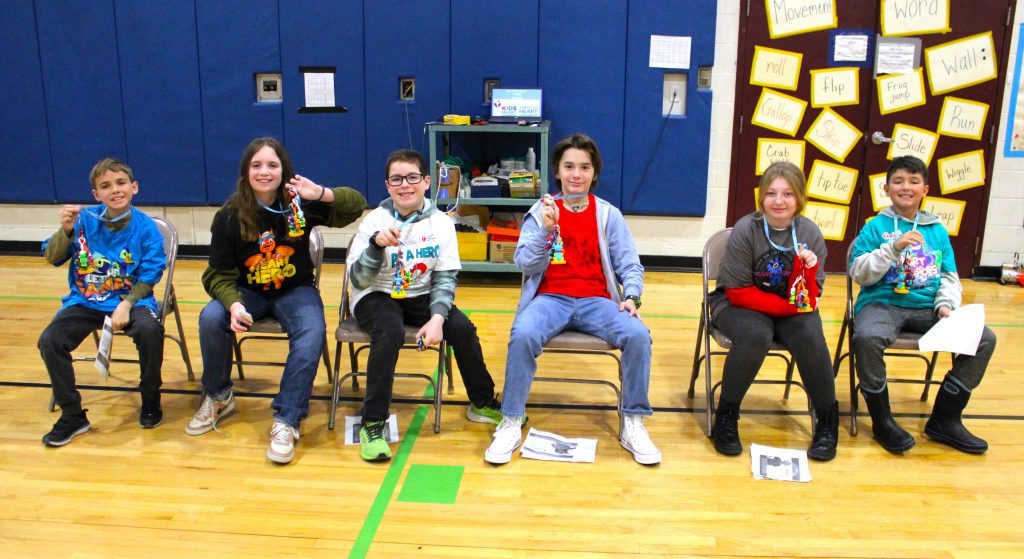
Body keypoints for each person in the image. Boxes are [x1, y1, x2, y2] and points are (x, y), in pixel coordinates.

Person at [186, 137, 366, 465]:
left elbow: (355, 204)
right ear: (246, 171)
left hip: (295, 289)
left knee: (312, 332)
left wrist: (321, 193)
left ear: (284, 170)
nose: (264, 172)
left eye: (272, 165)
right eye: (257, 165)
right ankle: (218, 395)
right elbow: (216, 276)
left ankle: (287, 418)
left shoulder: (299, 202)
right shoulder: (229, 216)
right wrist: (233, 304)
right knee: (211, 317)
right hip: (248, 293)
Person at [485, 133, 661, 466]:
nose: (576, 174)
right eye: (569, 166)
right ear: (558, 172)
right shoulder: (541, 211)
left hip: (597, 300)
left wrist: (633, 297)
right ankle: (510, 421)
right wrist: (546, 231)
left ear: (595, 173)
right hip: (550, 298)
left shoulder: (608, 215)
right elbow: (524, 263)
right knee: (522, 334)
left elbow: (630, 264)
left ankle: (633, 422)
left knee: (638, 335)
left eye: (584, 167)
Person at [346, 149, 501, 462]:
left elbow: (445, 279)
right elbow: (359, 281)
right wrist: (376, 246)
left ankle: (482, 403)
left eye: (412, 177)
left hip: (420, 293)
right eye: (397, 179)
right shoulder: (374, 221)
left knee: (462, 327)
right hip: (376, 294)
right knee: (388, 331)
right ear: (387, 186)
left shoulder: (441, 223)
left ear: (426, 181)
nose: (405, 185)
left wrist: (437, 318)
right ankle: (373, 423)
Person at [850, 155, 995, 455]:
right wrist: (892, 247)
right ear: (886, 188)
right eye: (899, 181)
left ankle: (945, 419)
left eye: (914, 182)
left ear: (925, 189)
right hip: (881, 303)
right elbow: (858, 272)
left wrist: (945, 305)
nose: (906, 187)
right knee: (866, 337)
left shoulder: (937, 230)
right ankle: (881, 419)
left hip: (929, 307)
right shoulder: (875, 227)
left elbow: (949, 276)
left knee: (984, 338)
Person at [707, 161, 838, 462]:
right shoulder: (746, 229)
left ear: (799, 198)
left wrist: (807, 269)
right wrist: (788, 308)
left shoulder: (810, 232)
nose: (778, 201)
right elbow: (738, 292)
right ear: (761, 197)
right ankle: (726, 415)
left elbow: (810, 296)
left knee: (810, 336)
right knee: (756, 334)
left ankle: (828, 421)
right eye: (771, 193)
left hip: (790, 307)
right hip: (738, 304)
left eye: (788, 194)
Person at [38, 157, 167, 446]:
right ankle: (72, 415)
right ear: (96, 195)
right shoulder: (84, 220)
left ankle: (150, 399)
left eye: (121, 183)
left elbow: (151, 273)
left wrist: (127, 303)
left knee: (150, 331)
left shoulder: (145, 228)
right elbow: (53, 257)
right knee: (50, 341)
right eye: (105, 186)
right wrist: (66, 231)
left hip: (131, 301)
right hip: (85, 301)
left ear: (134, 187)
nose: (115, 190)